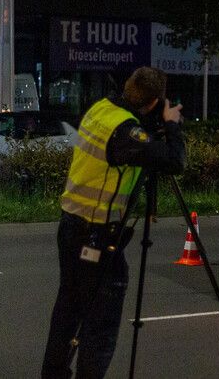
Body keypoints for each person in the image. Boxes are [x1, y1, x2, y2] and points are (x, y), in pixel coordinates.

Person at [41, 67, 185, 379]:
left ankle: (53, 373)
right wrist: (171, 124)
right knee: (101, 322)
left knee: (68, 308)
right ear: (153, 103)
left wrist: (149, 124)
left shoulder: (101, 109)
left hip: (70, 225)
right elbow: (175, 161)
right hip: (96, 235)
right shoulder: (127, 132)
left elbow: (135, 141)